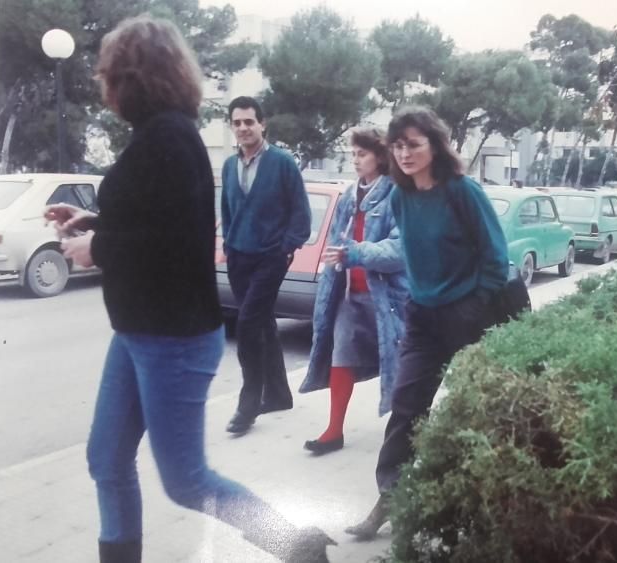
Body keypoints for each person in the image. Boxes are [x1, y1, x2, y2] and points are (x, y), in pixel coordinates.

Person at [42, 16, 332, 562]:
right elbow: (153, 220)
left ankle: (296, 545)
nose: (105, 89)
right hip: (138, 330)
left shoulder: (169, 137)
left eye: (110, 76)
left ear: (132, 76)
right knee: (106, 460)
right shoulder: (161, 136)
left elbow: (170, 243)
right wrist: (91, 221)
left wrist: (97, 250)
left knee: (186, 481)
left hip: (171, 337)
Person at [345, 106, 509, 540]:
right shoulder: (400, 197)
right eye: (397, 146)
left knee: (476, 410)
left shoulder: (462, 192)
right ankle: (391, 499)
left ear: (435, 145)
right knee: (406, 405)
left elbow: (496, 256)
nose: (404, 153)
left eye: (413, 144)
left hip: (468, 313)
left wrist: (473, 306)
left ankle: (481, 507)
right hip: (422, 315)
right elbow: (408, 254)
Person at [298, 127, 408, 455]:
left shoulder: (396, 196)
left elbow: (399, 250)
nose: (355, 160)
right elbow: (336, 241)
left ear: (379, 155)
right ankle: (334, 430)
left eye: (362, 153)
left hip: (387, 298)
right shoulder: (348, 195)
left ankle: (404, 432)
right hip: (349, 292)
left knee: (399, 363)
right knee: (340, 356)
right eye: (353, 154)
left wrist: (355, 253)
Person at [220, 96, 312, 435]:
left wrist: (285, 249)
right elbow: (228, 210)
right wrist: (229, 243)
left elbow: (300, 215)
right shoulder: (230, 166)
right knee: (262, 324)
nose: (243, 128)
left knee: (246, 325)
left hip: (270, 258)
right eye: (237, 123)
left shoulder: (282, 163)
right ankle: (278, 394)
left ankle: (248, 404)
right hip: (239, 258)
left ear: (262, 124)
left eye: (249, 122)